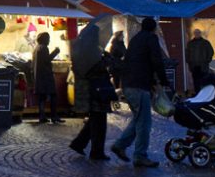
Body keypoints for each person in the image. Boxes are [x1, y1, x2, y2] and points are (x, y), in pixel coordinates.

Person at [110, 17, 169, 167]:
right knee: (144, 122)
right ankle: (140, 156)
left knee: (138, 118)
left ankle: (120, 145)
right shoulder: (151, 38)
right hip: (139, 85)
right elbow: (157, 60)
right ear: (154, 28)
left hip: (128, 84)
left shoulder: (135, 40)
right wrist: (163, 80)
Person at [69, 24, 113, 161]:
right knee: (100, 121)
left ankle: (79, 143)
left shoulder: (79, 49)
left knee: (95, 118)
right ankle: (96, 151)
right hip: (97, 88)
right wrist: (106, 59)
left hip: (88, 89)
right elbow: (97, 68)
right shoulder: (93, 51)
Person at [32, 32, 62, 124]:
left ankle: (42, 116)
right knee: (53, 95)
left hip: (39, 76)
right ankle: (54, 116)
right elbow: (47, 60)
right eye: (48, 39)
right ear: (44, 39)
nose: (49, 41)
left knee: (41, 97)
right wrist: (56, 51)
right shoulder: (44, 48)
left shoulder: (36, 48)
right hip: (46, 77)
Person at [186, 28, 215, 94]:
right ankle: (197, 94)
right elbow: (187, 54)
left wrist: (207, 61)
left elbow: (211, 52)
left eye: (198, 33)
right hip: (194, 66)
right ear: (194, 34)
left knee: (204, 81)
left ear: (200, 34)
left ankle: (204, 95)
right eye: (195, 33)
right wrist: (189, 62)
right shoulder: (190, 43)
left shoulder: (205, 43)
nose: (197, 34)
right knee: (196, 82)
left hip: (203, 66)